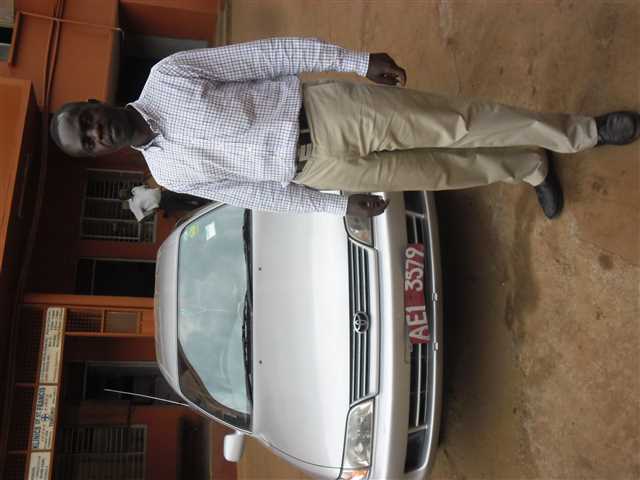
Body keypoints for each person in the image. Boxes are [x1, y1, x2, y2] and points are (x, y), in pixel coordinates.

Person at [49, 37, 639, 219]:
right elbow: (257, 196)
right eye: (88, 142)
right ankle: (530, 165)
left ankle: (583, 132)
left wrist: (355, 62)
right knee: (441, 171)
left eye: (87, 121)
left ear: (96, 102)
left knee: (457, 123)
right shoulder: (168, 172)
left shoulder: (169, 76)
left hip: (327, 113)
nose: (97, 133)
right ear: (98, 155)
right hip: (319, 170)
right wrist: (337, 206)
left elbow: (267, 56)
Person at [120, 184, 210, 221]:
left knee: (188, 196)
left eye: (125, 190)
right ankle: (207, 210)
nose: (126, 191)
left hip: (164, 193)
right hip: (164, 203)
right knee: (187, 207)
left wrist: (151, 190)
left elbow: (146, 186)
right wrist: (152, 212)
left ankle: (208, 199)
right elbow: (141, 220)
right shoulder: (133, 206)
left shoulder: (134, 190)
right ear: (125, 198)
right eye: (124, 193)